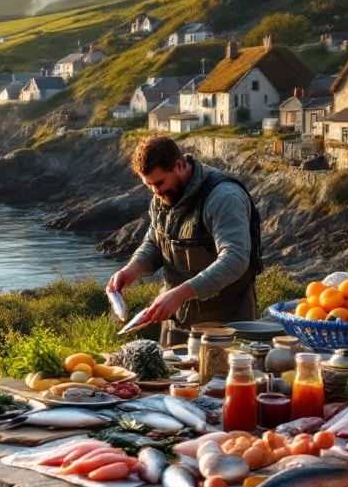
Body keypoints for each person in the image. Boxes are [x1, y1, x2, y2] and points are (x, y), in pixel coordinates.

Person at [108, 135, 258, 341]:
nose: (155, 191)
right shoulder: (162, 196)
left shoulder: (224, 197)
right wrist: (133, 268)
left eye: (159, 182)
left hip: (226, 327)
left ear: (179, 165)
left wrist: (179, 294)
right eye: (148, 185)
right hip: (176, 324)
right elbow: (155, 241)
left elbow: (235, 259)